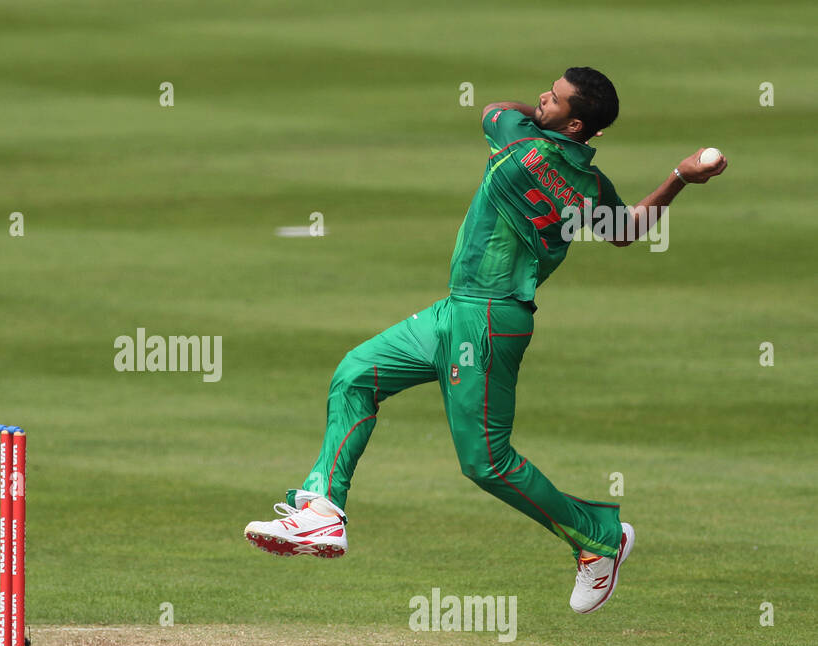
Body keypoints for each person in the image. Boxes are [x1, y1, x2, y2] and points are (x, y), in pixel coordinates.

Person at [244, 67, 727, 614]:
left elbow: (494, 108)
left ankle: (600, 540)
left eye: (556, 97)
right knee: (356, 373)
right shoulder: (588, 186)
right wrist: (680, 178)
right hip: (459, 308)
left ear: (572, 124)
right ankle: (323, 511)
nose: (544, 96)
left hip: (492, 319)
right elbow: (627, 231)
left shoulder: (518, 142)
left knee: (486, 463)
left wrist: (539, 118)